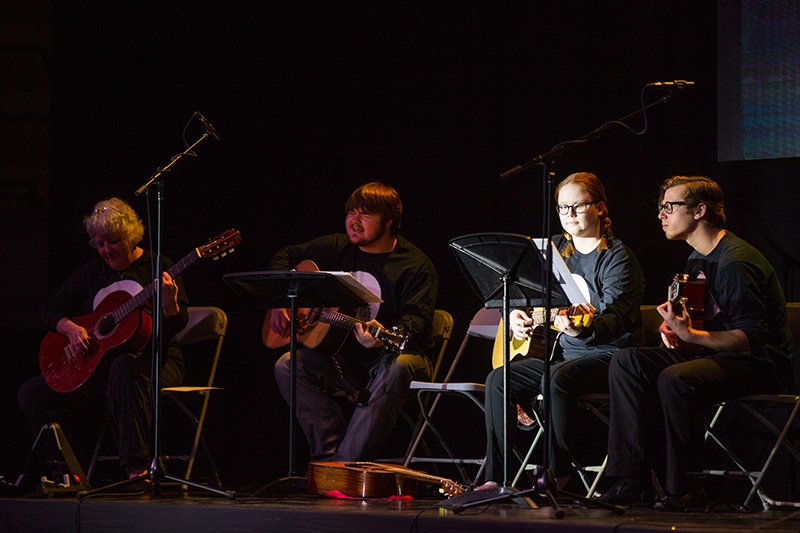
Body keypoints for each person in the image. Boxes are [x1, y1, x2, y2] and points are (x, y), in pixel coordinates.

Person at [601, 176, 793, 510]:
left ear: (700, 211)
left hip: (762, 366)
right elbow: (701, 325)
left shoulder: (735, 261)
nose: (661, 215)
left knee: (675, 379)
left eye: (669, 207)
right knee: (627, 362)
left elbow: (753, 340)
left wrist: (692, 335)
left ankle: (685, 489)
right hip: (717, 356)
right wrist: (677, 331)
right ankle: (631, 482)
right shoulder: (696, 258)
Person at [483, 172, 646, 489]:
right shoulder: (552, 250)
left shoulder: (616, 258)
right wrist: (515, 312)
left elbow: (614, 320)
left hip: (609, 358)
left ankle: (557, 475)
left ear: (599, 208)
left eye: (578, 206)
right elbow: (515, 292)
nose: (569, 214)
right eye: (562, 208)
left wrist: (578, 331)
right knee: (498, 379)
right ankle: (497, 478)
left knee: (557, 377)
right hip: (563, 356)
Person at [18, 198, 189, 480]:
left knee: (124, 365)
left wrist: (169, 306)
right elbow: (47, 308)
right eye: (99, 244)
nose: (106, 251)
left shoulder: (159, 266)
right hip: (102, 368)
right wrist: (70, 328)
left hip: (157, 361)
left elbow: (177, 326)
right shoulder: (92, 272)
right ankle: (65, 469)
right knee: (31, 394)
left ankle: (138, 468)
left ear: (131, 237)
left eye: (113, 242)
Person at [270, 182, 439, 461]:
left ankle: (343, 467)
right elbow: (284, 256)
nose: (354, 222)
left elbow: (417, 322)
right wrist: (280, 298)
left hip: (396, 361)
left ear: (389, 222)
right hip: (344, 363)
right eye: (351, 213)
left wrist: (388, 334)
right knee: (287, 364)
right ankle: (327, 459)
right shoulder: (336, 247)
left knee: (399, 364)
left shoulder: (415, 266)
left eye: (365, 215)